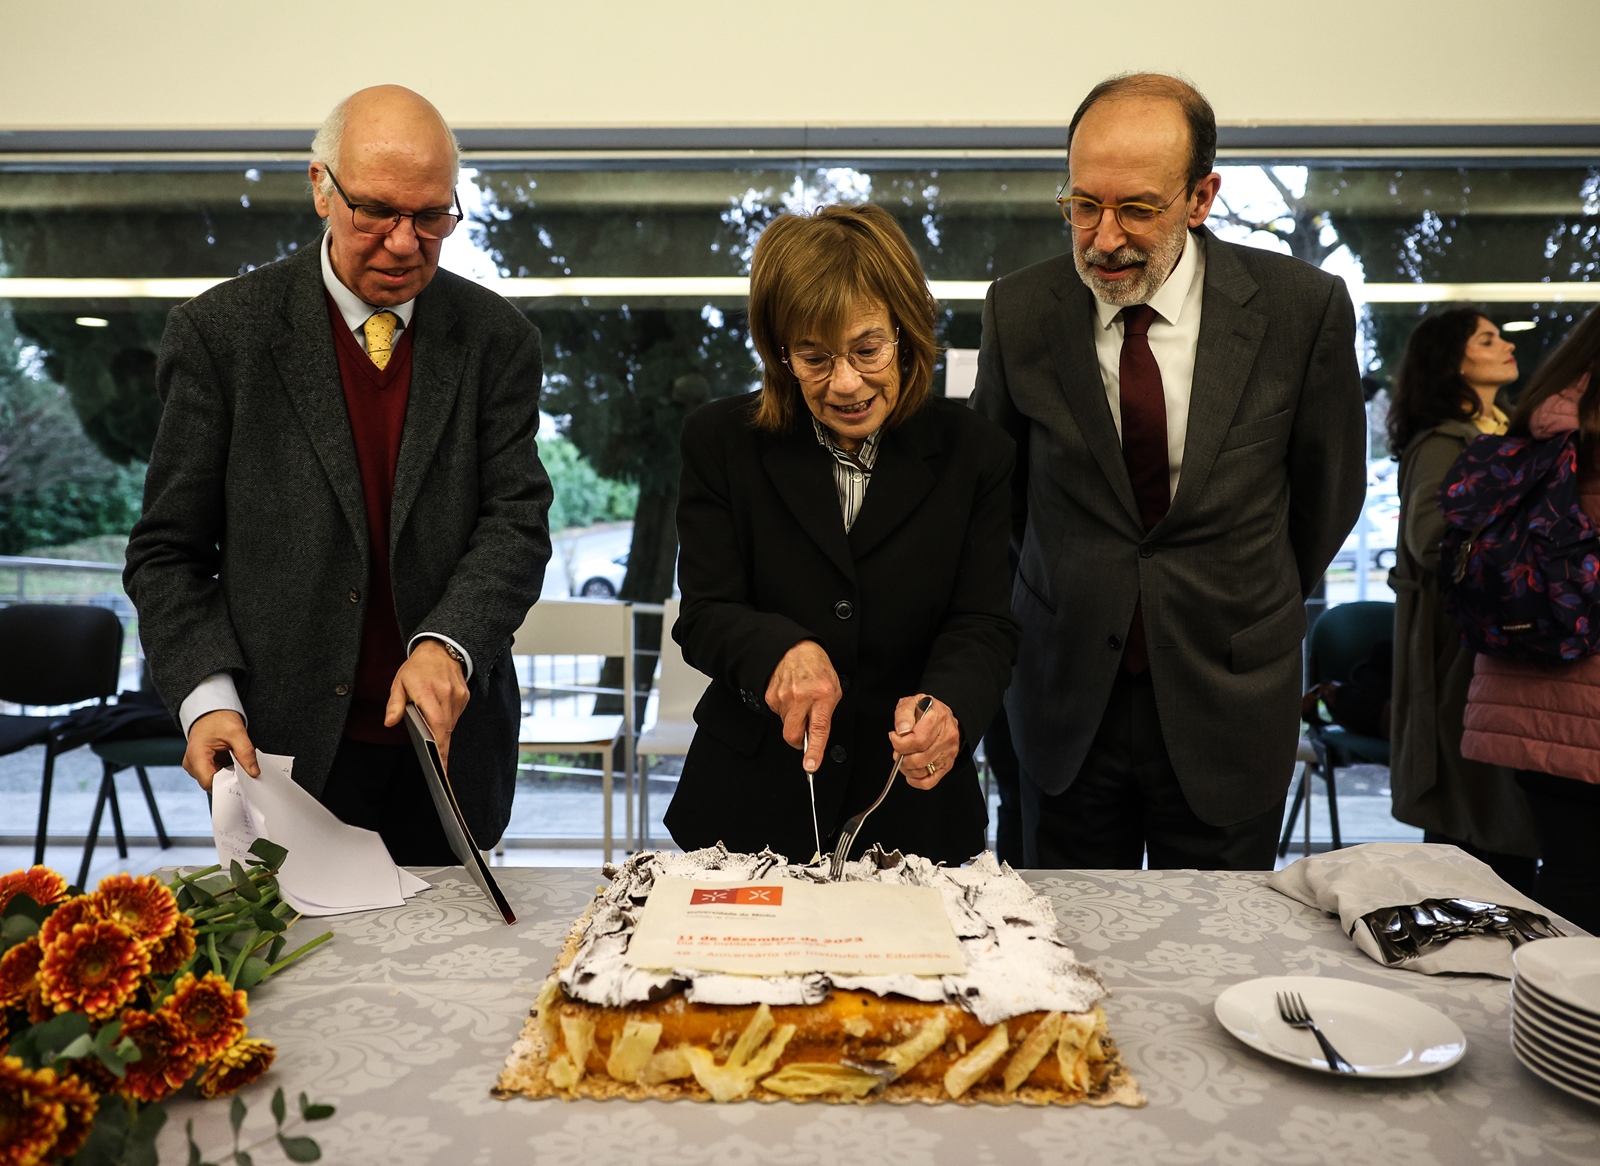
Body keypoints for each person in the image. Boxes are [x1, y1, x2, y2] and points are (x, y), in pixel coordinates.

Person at [126, 86, 553, 863]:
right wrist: (206, 699)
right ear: (321, 187)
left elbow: (515, 524)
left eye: (432, 217)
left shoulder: (498, 340)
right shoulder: (222, 336)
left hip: (448, 753)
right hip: (279, 753)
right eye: (377, 212)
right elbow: (167, 555)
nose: (405, 242)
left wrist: (449, 644)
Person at [970, 73, 1367, 870]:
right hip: (1064, 696)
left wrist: (1237, 595)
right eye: (1084, 205)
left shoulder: (1301, 310)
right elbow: (1000, 500)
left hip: (1229, 694)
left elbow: (1326, 499)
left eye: (1138, 209)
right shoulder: (1020, 310)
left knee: (1219, 937)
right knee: (1065, 933)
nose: (1104, 238)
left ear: (1201, 198)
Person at [665, 204, 1019, 865]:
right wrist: (781, 651)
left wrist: (948, 706)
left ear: (905, 333)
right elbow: (706, 613)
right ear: (781, 354)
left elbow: (982, 623)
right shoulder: (719, 442)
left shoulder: (977, 454)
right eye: (815, 357)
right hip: (748, 804)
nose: (847, 383)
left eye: (867, 349)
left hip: (912, 808)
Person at [1387, 309, 1538, 890]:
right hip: (1459, 639)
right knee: (1470, 802)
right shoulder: (1444, 441)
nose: (1505, 346)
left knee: (1497, 797)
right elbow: (1429, 541)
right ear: (1453, 360)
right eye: (1487, 339)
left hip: (1499, 631)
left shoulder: (1509, 430)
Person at [1462, 306, 1600, 930]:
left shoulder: (1546, 421)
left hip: (1534, 692)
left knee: (1571, 877)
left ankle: (1549, 993)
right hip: (1583, 702)